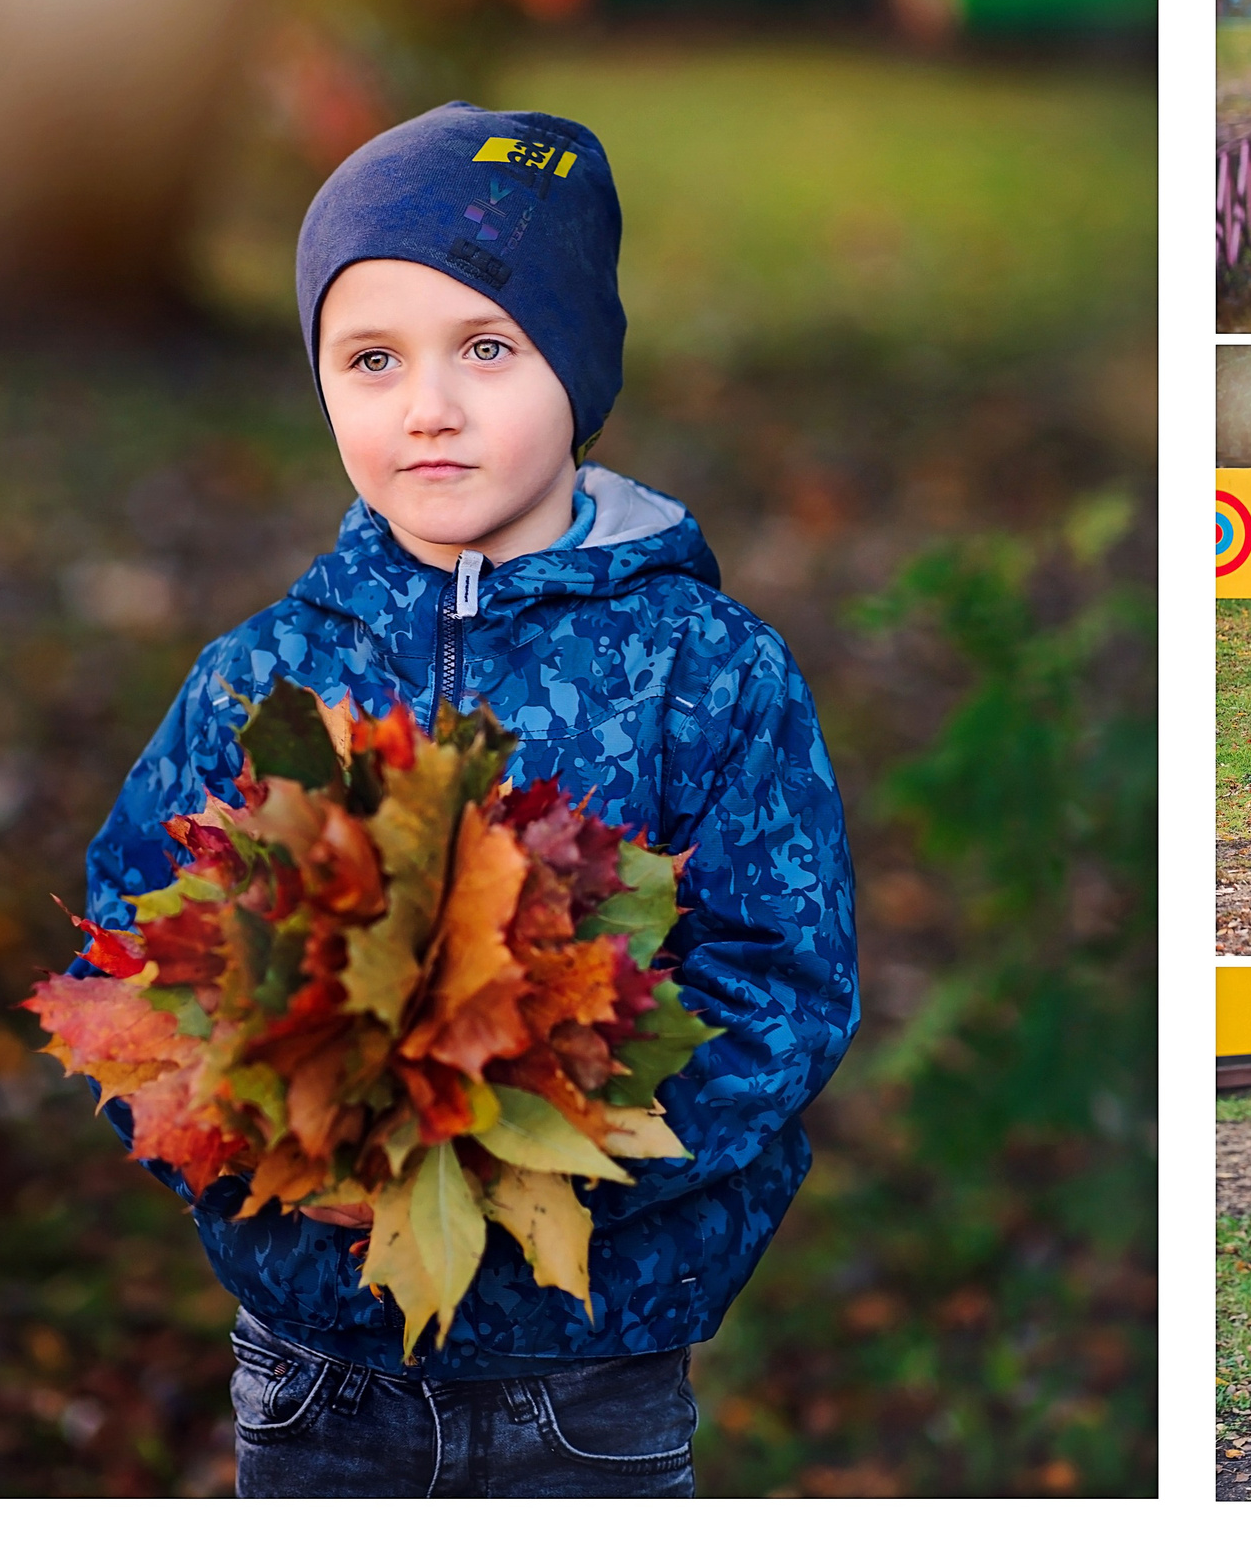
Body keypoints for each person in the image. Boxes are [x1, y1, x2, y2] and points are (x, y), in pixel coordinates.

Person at [75, 102, 859, 1498]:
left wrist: (545, 1143)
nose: (426, 404)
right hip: (321, 1365)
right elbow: (133, 958)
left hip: (592, 1367)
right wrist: (278, 1143)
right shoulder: (265, 675)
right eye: (371, 359)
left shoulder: (703, 670)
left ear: (579, 368)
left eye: (486, 348)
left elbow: (782, 987)